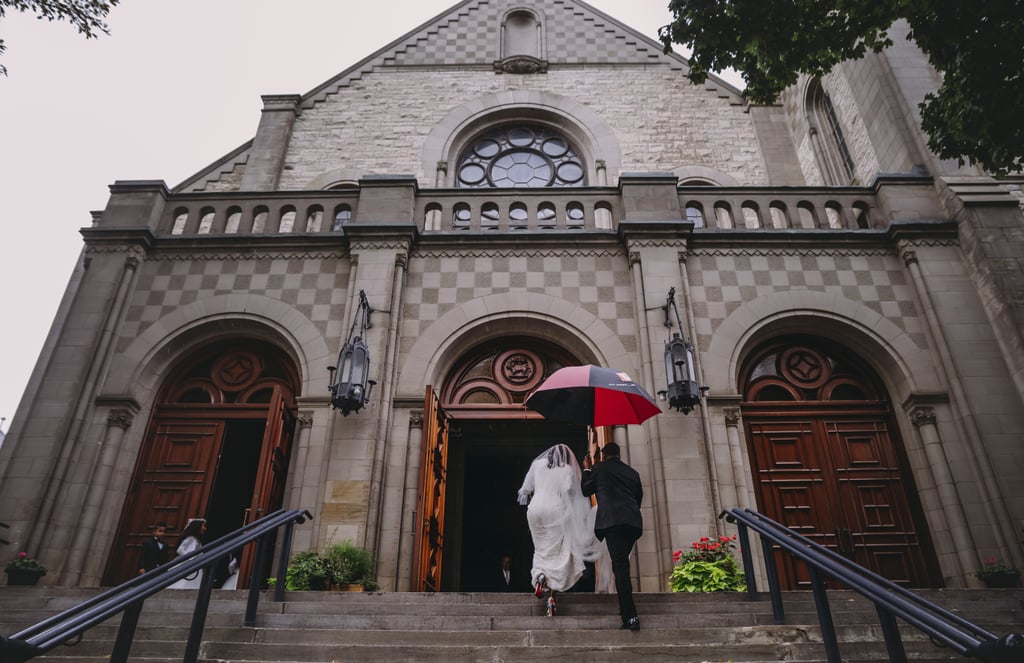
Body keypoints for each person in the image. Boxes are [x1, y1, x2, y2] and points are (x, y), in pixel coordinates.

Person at [517, 443, 605, 616]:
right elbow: (570, 492)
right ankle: (552, 597)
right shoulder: (566, 470)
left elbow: (526, 490)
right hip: (555, 510)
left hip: (535, 511)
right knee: (559, 552)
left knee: (541, 550)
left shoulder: (537, 465)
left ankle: (541, 576)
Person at [581, 441, 643, 631]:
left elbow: (586, 490)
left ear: (604, 455)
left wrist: (587, 469)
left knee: (621, 567)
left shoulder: (598, 469)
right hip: (632, 523)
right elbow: (638, 498)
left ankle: (630, 617)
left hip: (613, 523)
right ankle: (628, 612)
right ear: (619, 455)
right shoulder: (632, 472)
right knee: (622, 564)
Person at [168, 518, 207, 590]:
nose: (205, 528)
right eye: (203, 526)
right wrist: (190, 558)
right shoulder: (190, 539)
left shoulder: (197, 540)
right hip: (188, 562)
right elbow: (180, 550)